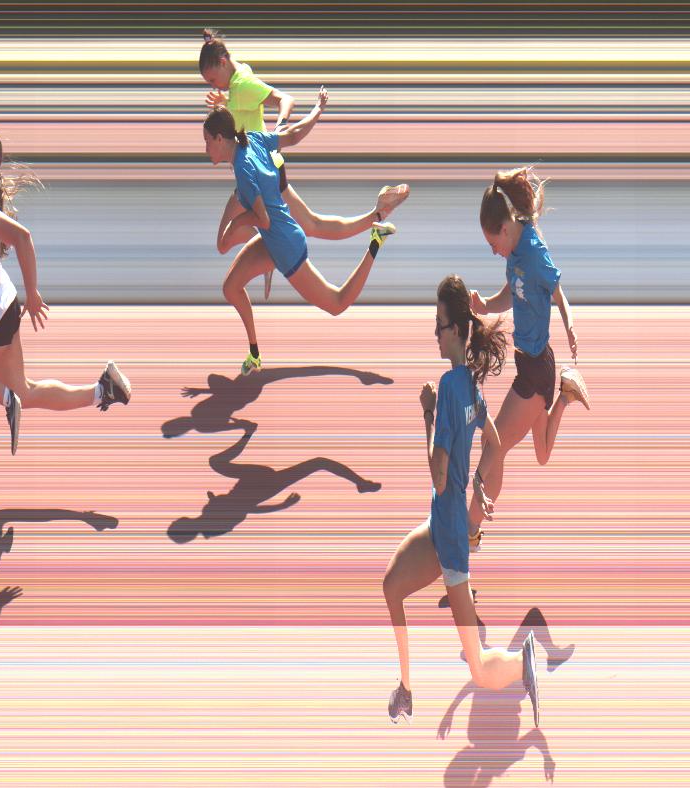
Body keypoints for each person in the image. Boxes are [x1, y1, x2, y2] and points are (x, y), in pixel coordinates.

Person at [382, 274, 540, 727]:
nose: (434, 332)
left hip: (450, 542)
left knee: (480, 669)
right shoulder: (469, 383)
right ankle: (406, 689)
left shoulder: (451, 387)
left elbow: (436, 476)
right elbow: (493, 440)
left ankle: (522, 662)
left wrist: (427, 415)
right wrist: (478, 485)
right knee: (391, 587)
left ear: (454, 330)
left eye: (438, 324)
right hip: (443, 524)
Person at [0, 127, 131, 454]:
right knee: (27, 393)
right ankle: (104, 390)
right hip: (4, 310)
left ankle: (6, 398)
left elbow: (23, 238)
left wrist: (32, 293)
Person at [199, 28, 409, 299]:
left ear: (223, 62)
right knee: (312, 224)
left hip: (257, 174)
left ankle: (268, 252)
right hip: (268, 168)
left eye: (213, 80)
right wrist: (226, 102)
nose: (214, 86)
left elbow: (285, 99)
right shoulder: (238, 82)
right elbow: (244, 107)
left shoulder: (242, 85)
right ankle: (376, 215)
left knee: (225, 242)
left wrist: (279, 128)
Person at [203, 89, 396, 375]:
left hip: (285, 247)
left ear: (220, 139)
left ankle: (376, 241)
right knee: (230, 287)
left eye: (207, 142)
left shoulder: (243, 170)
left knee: (336, 303)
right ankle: (254, 354)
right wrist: (318, 109)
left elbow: (262, 219)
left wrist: (237, 222)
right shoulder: (252, 139)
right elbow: (292, 135)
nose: (205, 148)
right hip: (276, 236)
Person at [467, 166, 590, 547]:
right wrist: (485, 306)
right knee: (541, 453)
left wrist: (570, 324)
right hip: (537, 367)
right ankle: (565, 394)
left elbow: (558, 292)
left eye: (493, 243)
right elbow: (512, 291)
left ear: (505, 229)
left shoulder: (534, 252)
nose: (493, 250)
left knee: (493, 445)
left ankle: (468, 532)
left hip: (535, 372)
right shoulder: (515, 252)